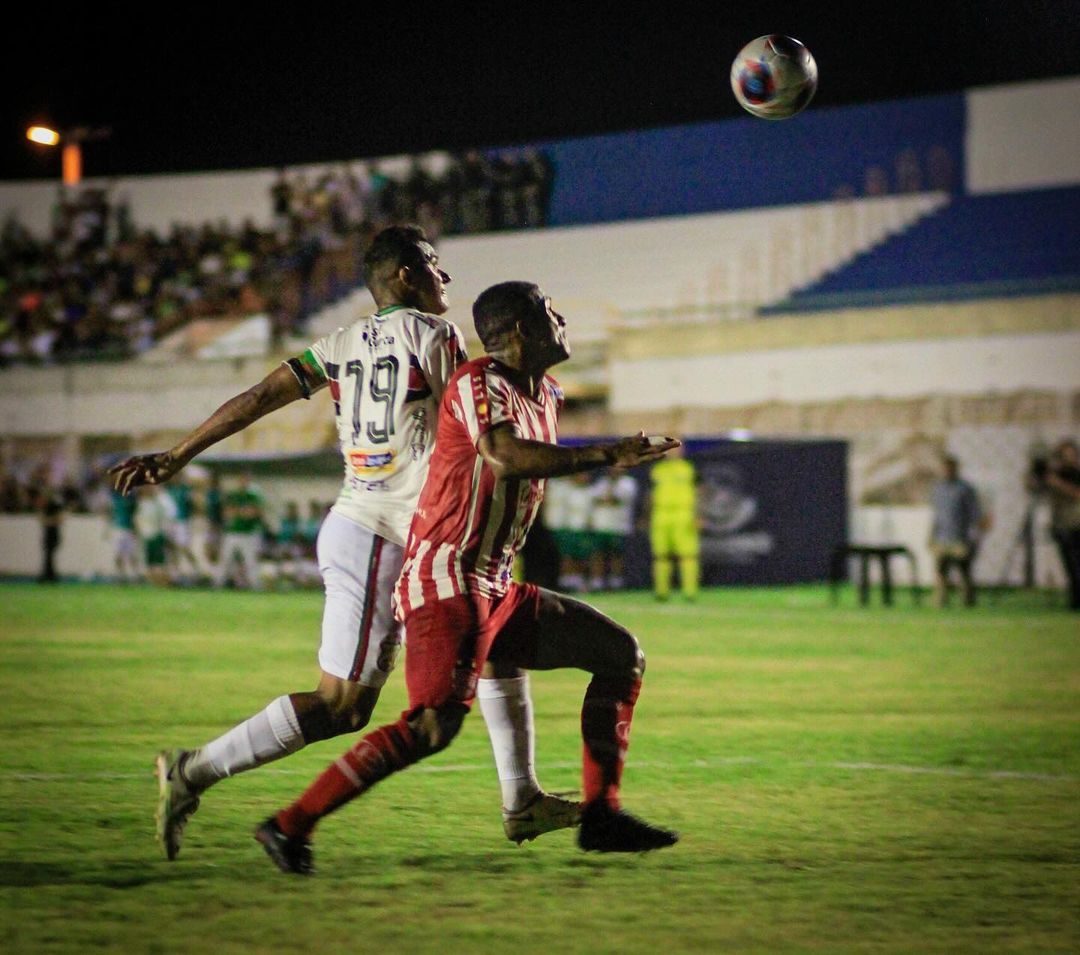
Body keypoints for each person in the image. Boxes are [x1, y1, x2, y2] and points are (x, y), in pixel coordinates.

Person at [109, 225, 572, 862]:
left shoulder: (340, 342)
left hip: (383, 529)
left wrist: (178, 453)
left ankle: (522, 799)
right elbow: (471, 422)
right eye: (433, 264)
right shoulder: (434, 335)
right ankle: (193, 771)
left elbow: (259, 397)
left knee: (491, 639)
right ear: (405, 275)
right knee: (342, 706)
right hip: (384, 533)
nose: (445, 277)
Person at [256, 281, 680, 874]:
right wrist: (607, 454)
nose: (561, 317)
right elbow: (504, 456)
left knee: (620, 655)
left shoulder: (548, 393)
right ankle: (288, 825)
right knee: (431, 726)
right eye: (549, 311)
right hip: (446, 577)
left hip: (494, 583)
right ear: (522, 330)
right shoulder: (477, 380)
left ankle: (601, 816)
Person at [928, 456, 984, 607]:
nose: (947, 471)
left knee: (963, 570)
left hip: (960, 536)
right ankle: (941, 600)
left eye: (950, 468)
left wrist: (974, 535)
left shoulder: (965, 489)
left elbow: (974, 513)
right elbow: (936, 515)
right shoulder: (938, 489)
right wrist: (931, 535)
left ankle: (968, 600)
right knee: (940, 570)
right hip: (941, 537)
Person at [649, 444, 700, 601]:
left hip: (684, 513)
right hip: (660, 514)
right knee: (661, 555)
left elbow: (699, 491)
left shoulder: (689, 468)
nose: (673, 452)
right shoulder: (657, 470)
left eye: (676, 448)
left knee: (688, 555)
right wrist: (646, 515)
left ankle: (690, 592)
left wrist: (699, 514)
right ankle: (661, 592)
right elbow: (649, 494)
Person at [588, 468, 638, 590]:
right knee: (598, 554)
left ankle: (616, 581)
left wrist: (605, 499)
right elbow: (594, 499)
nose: (614, 471)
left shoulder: (628, 483)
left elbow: (616, 500)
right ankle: (597, 582)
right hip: (600, 525)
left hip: (619, 527)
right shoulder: (601, 482)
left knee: (616, 555)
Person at [1045, 439, 1080, 611]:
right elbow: (1033, 487)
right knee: (1069, 565)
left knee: (1077, 564)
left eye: (1070, 454)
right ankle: (1075, 598)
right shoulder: (1056, 473)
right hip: (1061, 524)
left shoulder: (1076, 474)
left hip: (1076, 522)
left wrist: (1058, 483)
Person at [215, 472, 265, 590]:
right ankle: (218, 583)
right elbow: (228, 513)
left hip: (247, 533)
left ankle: (255, 585)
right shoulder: (234, 495)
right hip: (232, 532)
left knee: (250, 561)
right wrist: (242, 511)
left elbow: (253, 513)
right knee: (225, 559)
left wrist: (239, 512)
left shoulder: (253, 496)